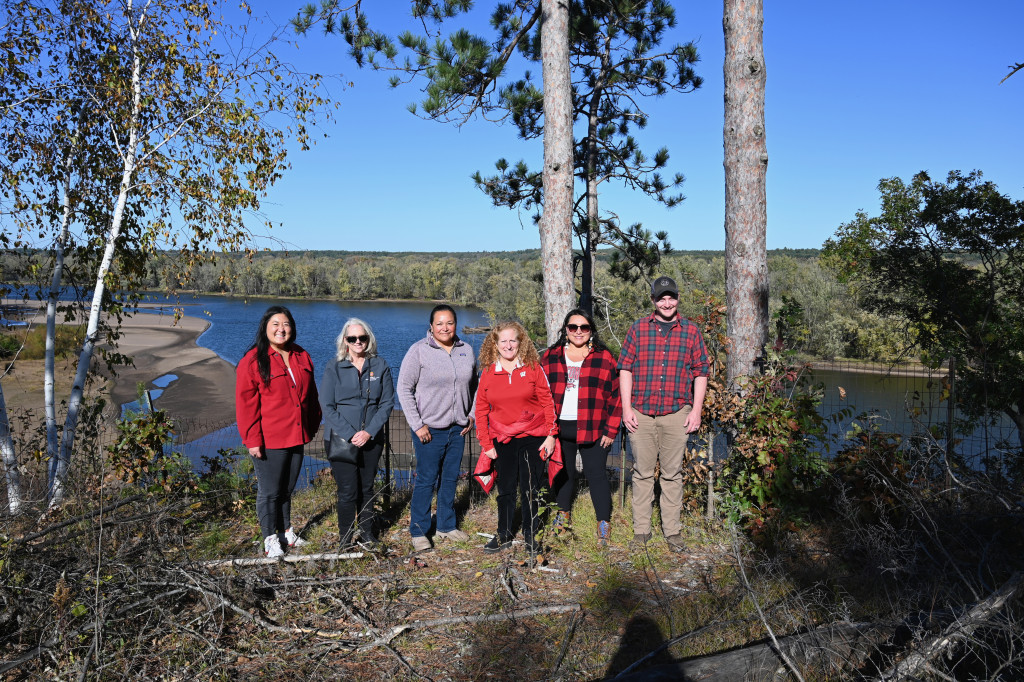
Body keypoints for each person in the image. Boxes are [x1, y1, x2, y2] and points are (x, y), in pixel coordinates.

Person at [618, 276, 710, 553]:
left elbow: (701, 372)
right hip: (641, 414)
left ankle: (672, 531)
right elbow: (625, 369)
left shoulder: (691, 331)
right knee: (642, 474)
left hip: (676, 413)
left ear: (677, 298)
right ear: (653, 301)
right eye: (661, 298)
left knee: (672, 475)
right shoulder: (637, 329)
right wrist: (626, 409)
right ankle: (641, 531)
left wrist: (696, 410)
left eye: (671, 297)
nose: (667, 303)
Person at [236, 306, 321, 558]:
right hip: (269, 439)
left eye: (285, 324)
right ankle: (269, 538)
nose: (281, 329)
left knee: (287, 489)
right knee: (269, 491)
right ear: (265, 327)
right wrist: (252, 440)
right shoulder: (252, 360)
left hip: (297, 435)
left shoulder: (301, 355)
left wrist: (313, 423)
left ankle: (286, 531)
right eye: (275, 324)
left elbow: (312, 395)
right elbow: (245, 404)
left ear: (292, 328)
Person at [397, 304, 477, 552]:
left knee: (450, 478)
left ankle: (445, 526)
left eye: (450, 322)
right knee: (427, 480)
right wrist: (417, 424)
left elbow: (476, 387)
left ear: (455, 324)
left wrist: (471, 415)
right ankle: (419, 531)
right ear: (431, 326)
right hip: (429, 429)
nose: (445, 327)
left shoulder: (467, 351)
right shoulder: (418, 351)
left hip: (458, 429)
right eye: (439, 323)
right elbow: (404, 389)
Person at [540, 309, 622, 546]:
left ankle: (603, 524)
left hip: (593, 428)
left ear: (591, 331)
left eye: (584, 327)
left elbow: (615, 397)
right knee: (564, 474)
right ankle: (563, 515)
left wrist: (611, 430)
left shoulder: (604, 358)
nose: (578, 332)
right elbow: (540, 393)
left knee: (596, 475)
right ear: (566, 330)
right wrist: (546, 430)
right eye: (573, 327)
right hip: (559, 428)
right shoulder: (551, 356)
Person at [475, 321, 558, 553]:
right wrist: (486, 443)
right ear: (495, 344)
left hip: (535, 437)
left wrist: (551, 434)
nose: (509, 345)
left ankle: (532, 535)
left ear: (521, 342)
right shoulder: (489, 373)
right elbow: (481, 411)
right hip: (503, 440)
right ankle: (504, 534)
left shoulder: (532, 367)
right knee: (507, 489)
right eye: (504, 341)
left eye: (513, 340)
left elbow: (548, 402)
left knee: (532, 488)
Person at [320, 318, 394, 550]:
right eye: (352, 338)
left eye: (362, 338)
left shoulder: (380, 366)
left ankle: (367, 533)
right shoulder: (334, 366)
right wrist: (352, 434)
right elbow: (327, 405)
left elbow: (387, 403)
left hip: (372, 440)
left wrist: (369, 432)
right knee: (347, 491)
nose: (358, 342)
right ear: (345, 341)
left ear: (368, 339)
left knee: (367, 488)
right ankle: (344, 538)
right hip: (341, 440)